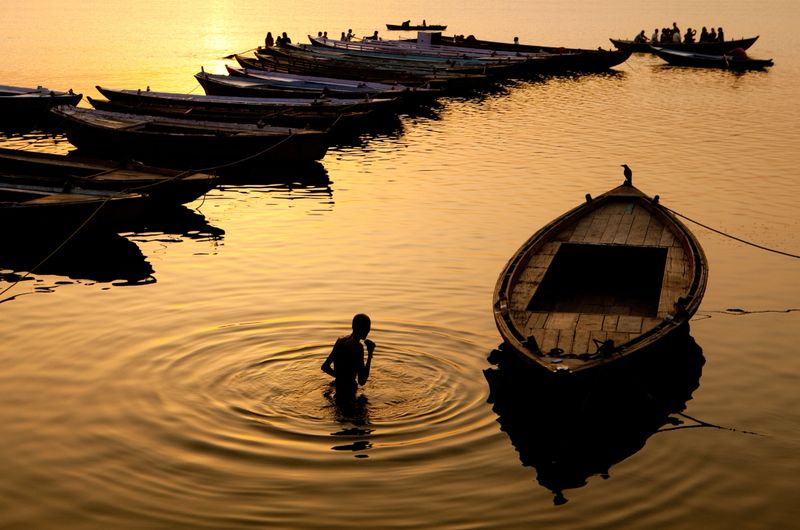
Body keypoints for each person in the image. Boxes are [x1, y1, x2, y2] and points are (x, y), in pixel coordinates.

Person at [321, 314, 375, 393]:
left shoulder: (340, 341)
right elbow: (362, 381)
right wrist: (370, 353)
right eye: (368, 327)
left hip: (338, 387)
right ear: (364, 329)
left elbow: (325, 367)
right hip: (349, 391)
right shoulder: (358, 347)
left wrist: (340, 378)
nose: (369, 329)